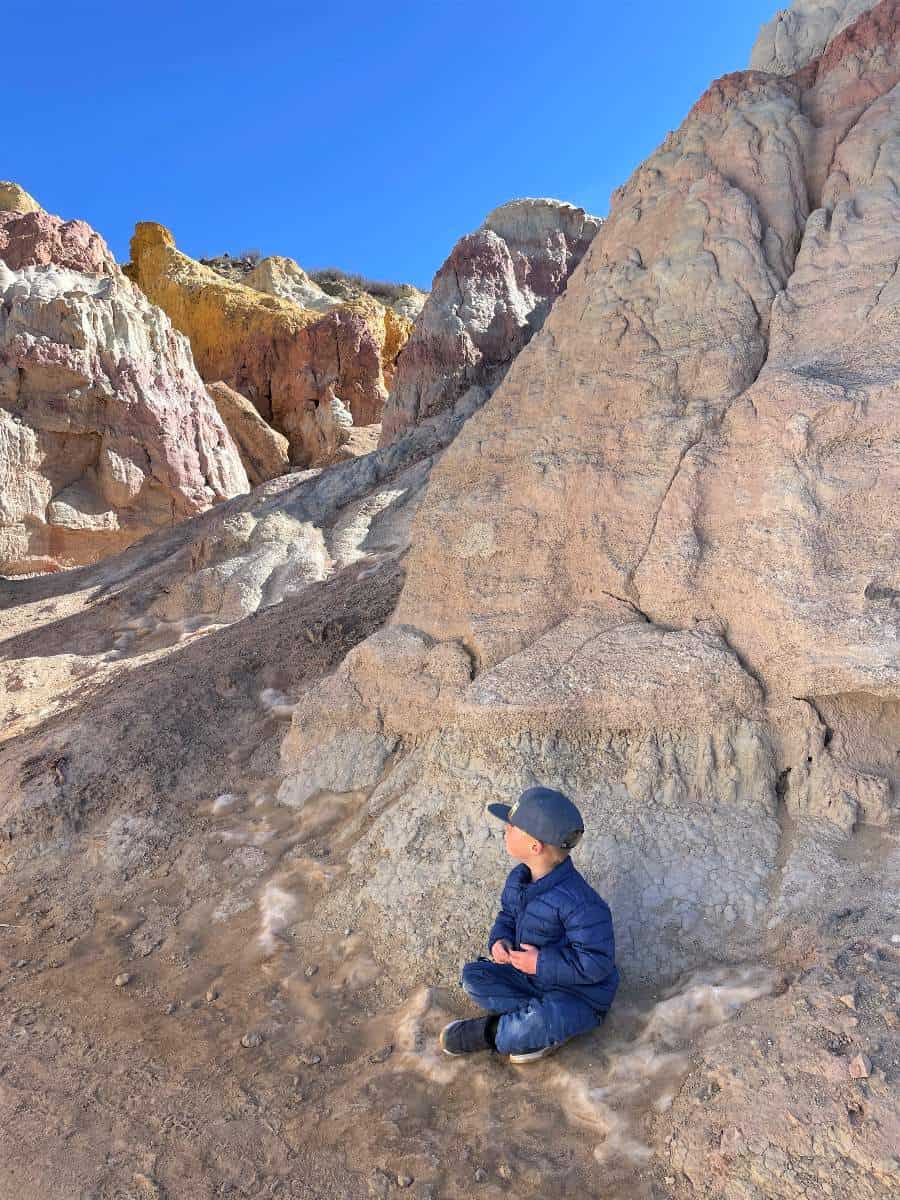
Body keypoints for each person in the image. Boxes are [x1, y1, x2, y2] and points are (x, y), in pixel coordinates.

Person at [440, 786, 618, 1064]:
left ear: (535, 846)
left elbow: (597, 963)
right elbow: (507, 917)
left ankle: (495, 1032)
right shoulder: (519, 879)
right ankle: (539, 1026)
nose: (505, 830)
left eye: (512, 827)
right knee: (473, 978)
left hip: (579, 997)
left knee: (535, 1022)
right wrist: (500, 942)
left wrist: (540, 963)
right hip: (529, 980)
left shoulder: (581, 903)